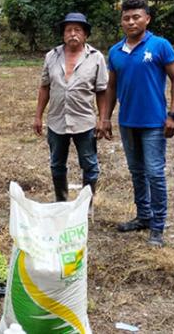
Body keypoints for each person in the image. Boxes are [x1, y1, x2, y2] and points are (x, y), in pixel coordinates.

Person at [99, 0, 174, 247]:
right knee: (136, 172)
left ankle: (158, 225)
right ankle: (143, 216)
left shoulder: (160, 45)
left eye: (137, 17)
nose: (131, 21)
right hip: (128, 122)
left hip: (155, 123)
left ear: (147, 19)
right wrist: (104, 117)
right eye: (126, 18)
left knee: (155, 173)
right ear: (121, 21)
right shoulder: (115, 51)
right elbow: (111, 87)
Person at [33, 12, 108, 203]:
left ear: (85, 35)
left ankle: (86, 205)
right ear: (63, 34)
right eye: (68, 30)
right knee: (57, 164)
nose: (72, 34)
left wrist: (102, 118)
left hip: (84, 121)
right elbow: (45, 87)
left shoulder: (96, 57)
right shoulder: (51, 56)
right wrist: (38, 116)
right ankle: (61, 201)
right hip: (57, 120)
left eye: (77, 30)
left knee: (89, 164)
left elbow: (101, 91)